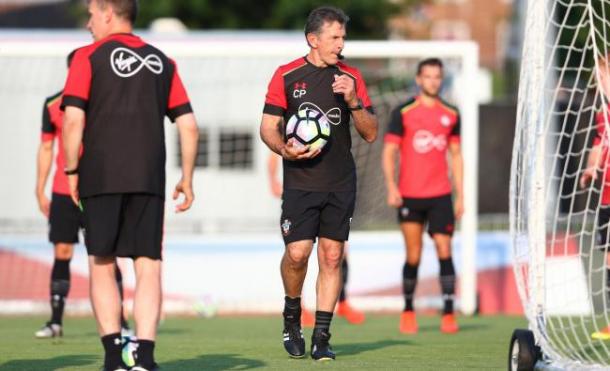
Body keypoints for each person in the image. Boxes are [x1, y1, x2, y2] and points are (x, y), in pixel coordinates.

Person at [61, 1, 199, 370]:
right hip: (149, 178)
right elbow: (188, 125)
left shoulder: (86, 58)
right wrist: (186, 177)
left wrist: (72, 171)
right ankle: (146, 358)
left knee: (102, 263)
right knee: (148, 265)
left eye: (91, 14)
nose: (88, 23)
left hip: (100, 175)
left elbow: (72, 121)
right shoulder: (163, 62)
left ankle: (113, 358)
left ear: (108, 12)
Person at [260, 6, 377, 361]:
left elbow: (370, 133)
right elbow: (267, 128)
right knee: (297, 254)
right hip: (300, 183)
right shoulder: (286, 75)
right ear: (314, 39)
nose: (341, 44)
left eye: (343, 37)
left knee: (332, 255)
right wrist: (284, 149)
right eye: (334, 38)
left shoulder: (351, 77)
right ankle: (292, 316)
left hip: (340, 183)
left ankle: (322, 337)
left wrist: (354, 101)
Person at [35, 49, 131, 339]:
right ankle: (55, 321)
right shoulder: (53, 104)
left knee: (106, 255)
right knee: (62, 251)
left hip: (98, 190)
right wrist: (40, 188)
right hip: (64, 190)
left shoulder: (104, 102)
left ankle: (120, 321)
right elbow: (46, 147)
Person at [382, 58, 463, 335]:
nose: (432, 81)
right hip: (410, 195)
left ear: (441, 80)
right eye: (427, 76)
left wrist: (460, 195)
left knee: (445, 249)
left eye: (437, 77)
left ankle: (449, 313)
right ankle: (407, 311)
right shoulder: (404, 112)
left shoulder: (451, 113)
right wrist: (391, 187)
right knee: (413, 254)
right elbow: (390, 151)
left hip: (441, 194)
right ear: (418, 79)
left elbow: (456, 155)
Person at [267, 153, 365, 326]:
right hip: (300, 193)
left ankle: (342, 302)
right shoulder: (292, 127)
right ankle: (299, 308)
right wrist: (273, 179)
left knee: (337, 253)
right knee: (298, 255)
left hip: (331, 191)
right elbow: (274, 152)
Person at [581, 56, 610, 341]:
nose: (598, 82)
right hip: (607, 197)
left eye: (602, 76)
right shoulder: (603, 112)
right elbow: (599, 142)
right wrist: (591, 167)